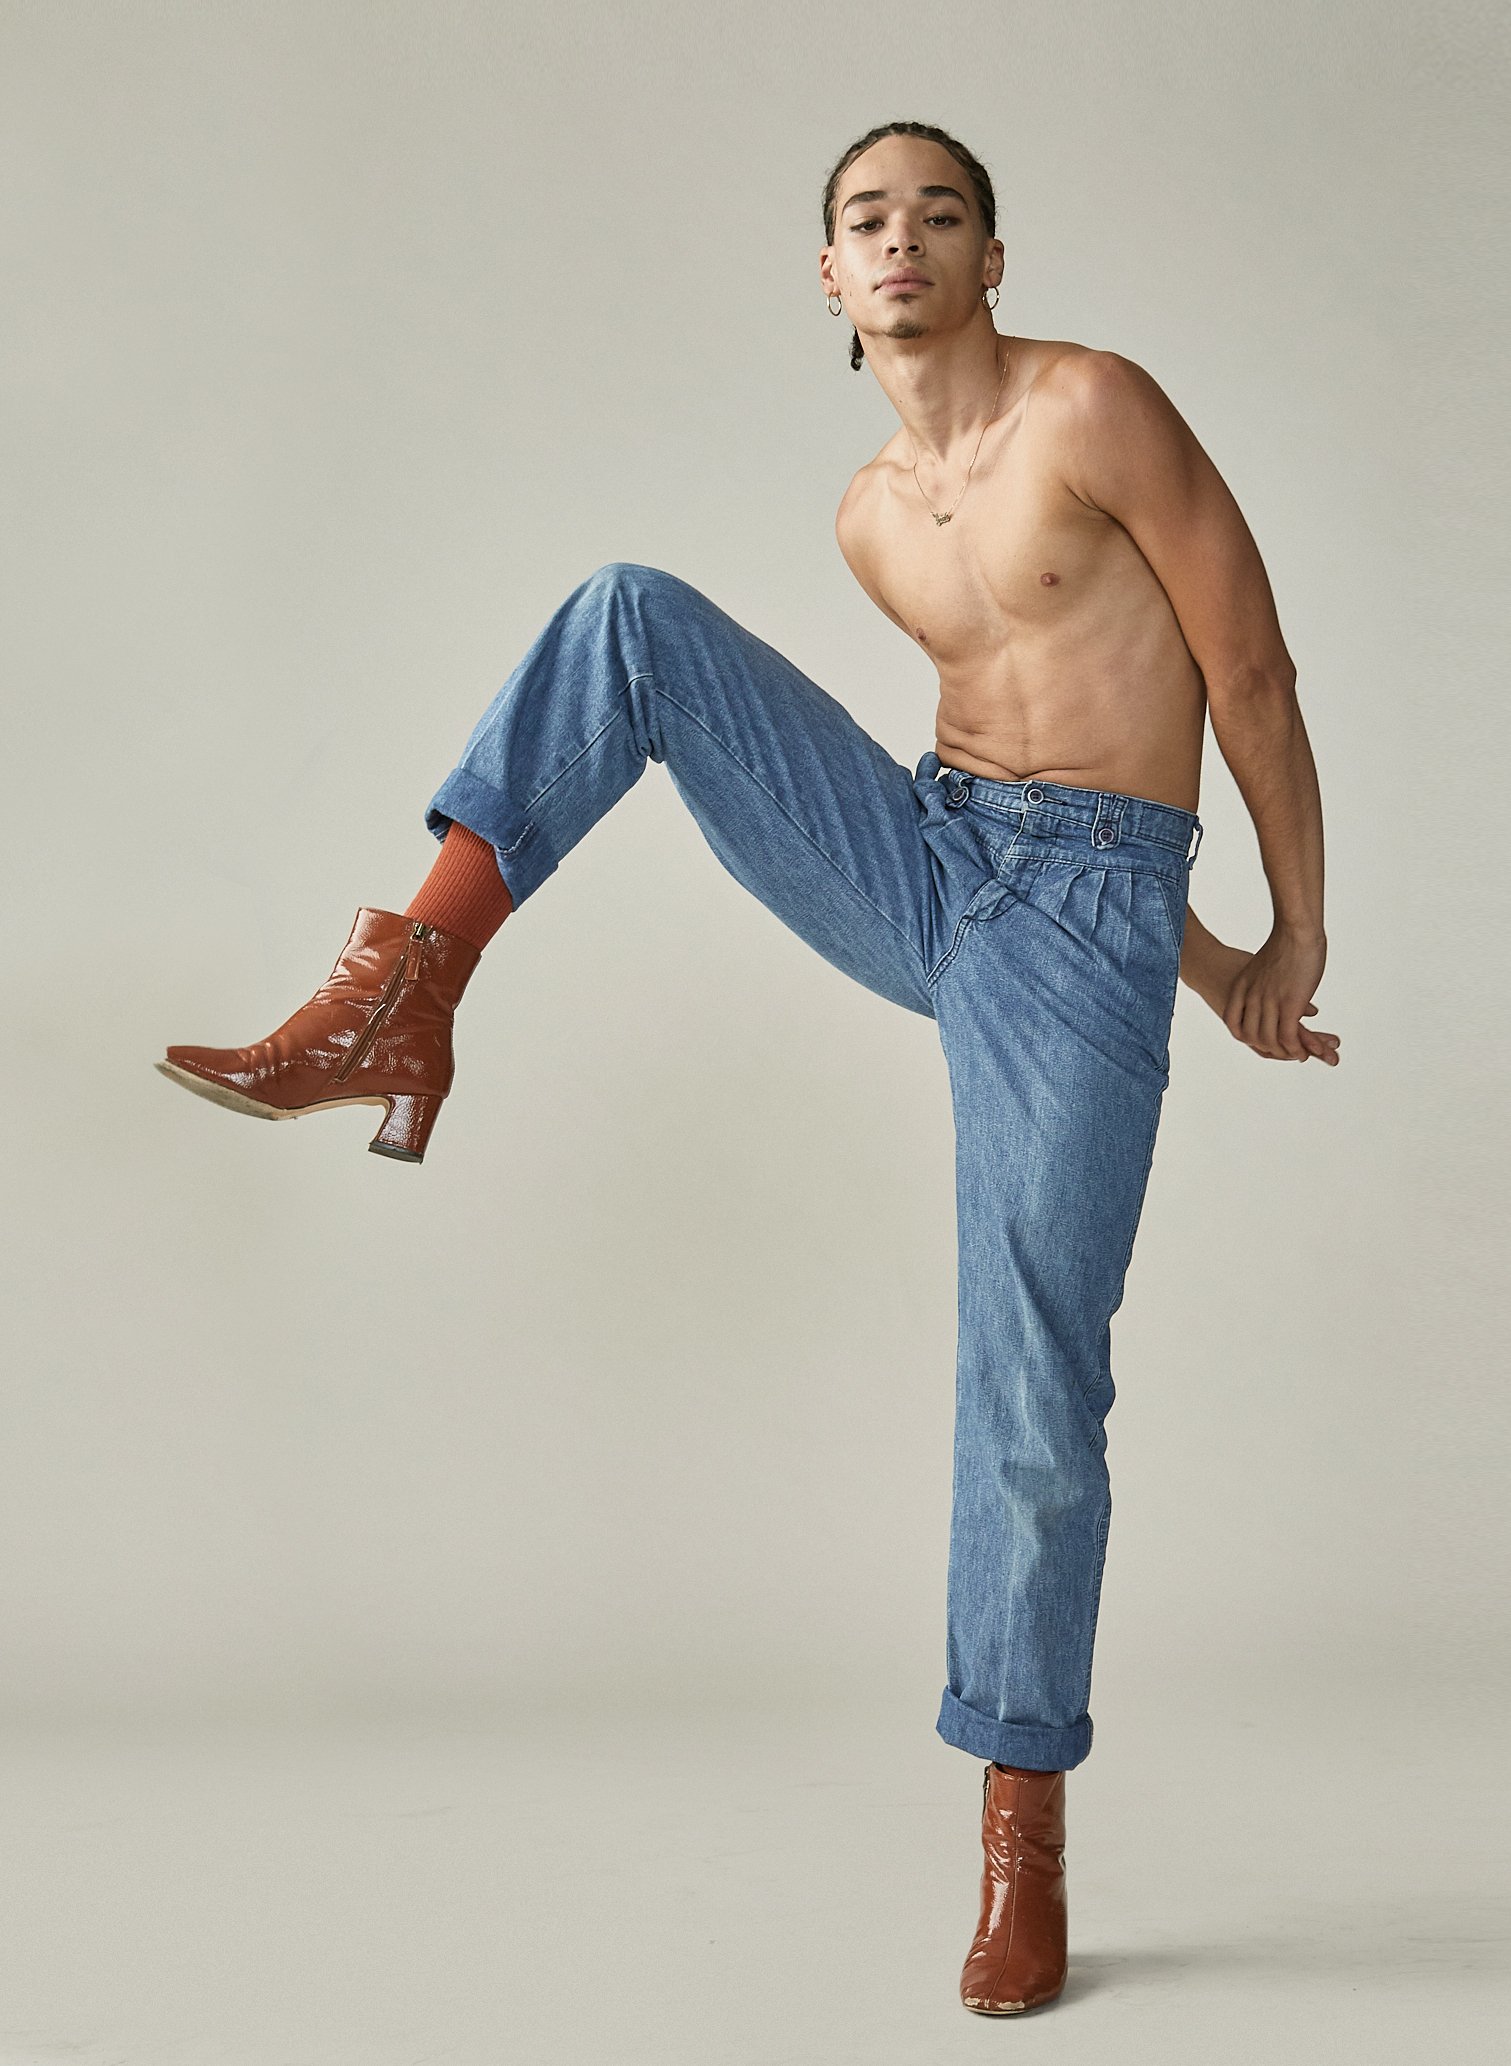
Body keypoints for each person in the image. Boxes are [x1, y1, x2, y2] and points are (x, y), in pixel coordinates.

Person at [156, 119, 1337, 2017]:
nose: (902, 239)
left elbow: (1239, 673)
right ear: (830, 275)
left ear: (992, 257)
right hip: (932, 858)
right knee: (628, 613)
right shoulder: (870, 514)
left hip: (1084, 922)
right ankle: (402, 987)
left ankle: (1020, 1836)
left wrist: (1274, 940)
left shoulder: (1094, 408)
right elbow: (1004, 741)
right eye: (868, 218)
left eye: (939, 213)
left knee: (1031, 1381)